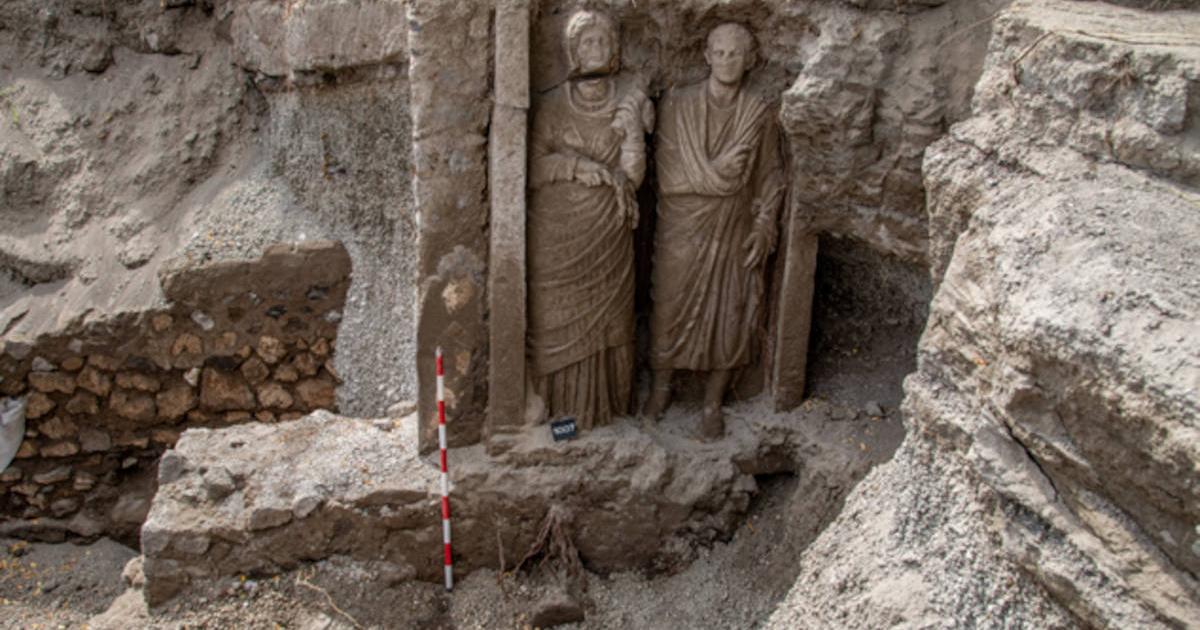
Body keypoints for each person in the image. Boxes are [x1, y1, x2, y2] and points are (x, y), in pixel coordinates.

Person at [643, 22, 785, 439]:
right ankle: (662, 389)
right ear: (706, 56)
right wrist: (717, 175)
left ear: (750, 60)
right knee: (668, 306)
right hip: (681, 227)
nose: (727, 61)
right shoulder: (677, 103)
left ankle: (712, 402)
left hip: (733, 225)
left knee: (732, 312)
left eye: (736, 54)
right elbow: (668, 177)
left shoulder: (758, 111)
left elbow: (770, 175)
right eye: (720, 53)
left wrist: (763, 226)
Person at [527, 10, 653, 430]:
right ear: (572, 51)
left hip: (609, 230)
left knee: (610, 324)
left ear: (614, 48)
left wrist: (633, 131)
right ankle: (557, 415)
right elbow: (529, 166)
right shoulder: (551, 104)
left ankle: (605, 413)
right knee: (555, 319)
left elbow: (633, 177)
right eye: (586, 42)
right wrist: (575, 166)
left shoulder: (627, 100)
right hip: (558, 233)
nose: (595, 49)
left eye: (602, 41)